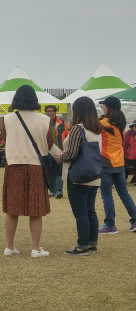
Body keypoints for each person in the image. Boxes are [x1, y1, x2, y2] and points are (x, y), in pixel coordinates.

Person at [0, 85, 54, 258]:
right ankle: (36, 248)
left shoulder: (7, 119)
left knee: (12, 208)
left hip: (14, 165)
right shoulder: (45, 120)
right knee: (36, 209)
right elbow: (49, 144)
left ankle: (9, 246)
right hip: (36, 166)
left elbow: (4, 139)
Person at [59, 96, 103, 255]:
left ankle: (82, 245)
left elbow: (72, 153)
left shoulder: (78, 128)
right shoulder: (97, 128)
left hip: (78, 175)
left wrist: (60, 157)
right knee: (90, 210)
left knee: (81, 212)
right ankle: (91, 243)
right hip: (94, 174)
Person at [96, 97, 136, 234]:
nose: (103, 109)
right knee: (123, 193)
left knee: (106, 195)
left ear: (108, 107)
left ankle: (110, 224)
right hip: (119, 162)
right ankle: (135, 220)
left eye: (104, 106)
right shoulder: (121, 123)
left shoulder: (103, 123)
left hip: (106, 162)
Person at [45, 105, 69, 198]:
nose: (49, 113)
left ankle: (59, 191)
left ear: (55, 113)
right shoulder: (42, 124)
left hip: (59, 150)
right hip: (46, 151)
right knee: (49, 171)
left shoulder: (62, 124)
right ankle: (52, 190)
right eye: (48, 111)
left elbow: (68, 136)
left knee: (59, 171)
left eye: (51, 111)